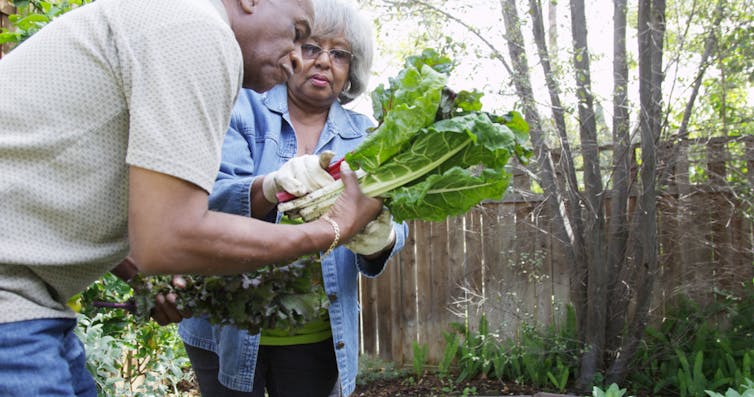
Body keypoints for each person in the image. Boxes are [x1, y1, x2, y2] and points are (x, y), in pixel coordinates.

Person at [0, 0, 384, 395]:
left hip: (33, 302)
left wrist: (147, 279)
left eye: (335, 53)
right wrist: (334, 228)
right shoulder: (199, 30)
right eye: (298, 34)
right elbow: (169, 237)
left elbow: (134, 214)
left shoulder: (178, 25)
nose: (295, 58)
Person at [177, 1, 406, 396]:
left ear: (352, 68)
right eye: (312, 47)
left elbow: (396, 219)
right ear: (289, 49)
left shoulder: (368, 136)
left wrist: (382, 239)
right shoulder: (241, 107)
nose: (323, 62)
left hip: (318, 335)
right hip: (227, 329)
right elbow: (207, 199)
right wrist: (270, 187)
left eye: (339, 54)